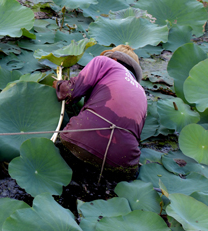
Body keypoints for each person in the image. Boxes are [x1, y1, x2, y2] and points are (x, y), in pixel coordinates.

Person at [53, 45, 147, 183]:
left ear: (113, 58)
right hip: (123, 163)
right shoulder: (142, 93)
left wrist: (59, 85)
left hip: (80, 141)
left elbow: (72, 91)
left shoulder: (105, 62)